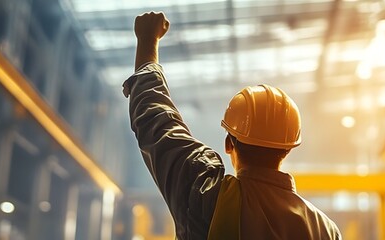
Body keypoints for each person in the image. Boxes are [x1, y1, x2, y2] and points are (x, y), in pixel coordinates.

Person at [123, 11, 342, 240]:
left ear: (229, 144)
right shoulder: (325, 230)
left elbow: (156, 122)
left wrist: (148, 40)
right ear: (287, 149)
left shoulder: (206, 197)